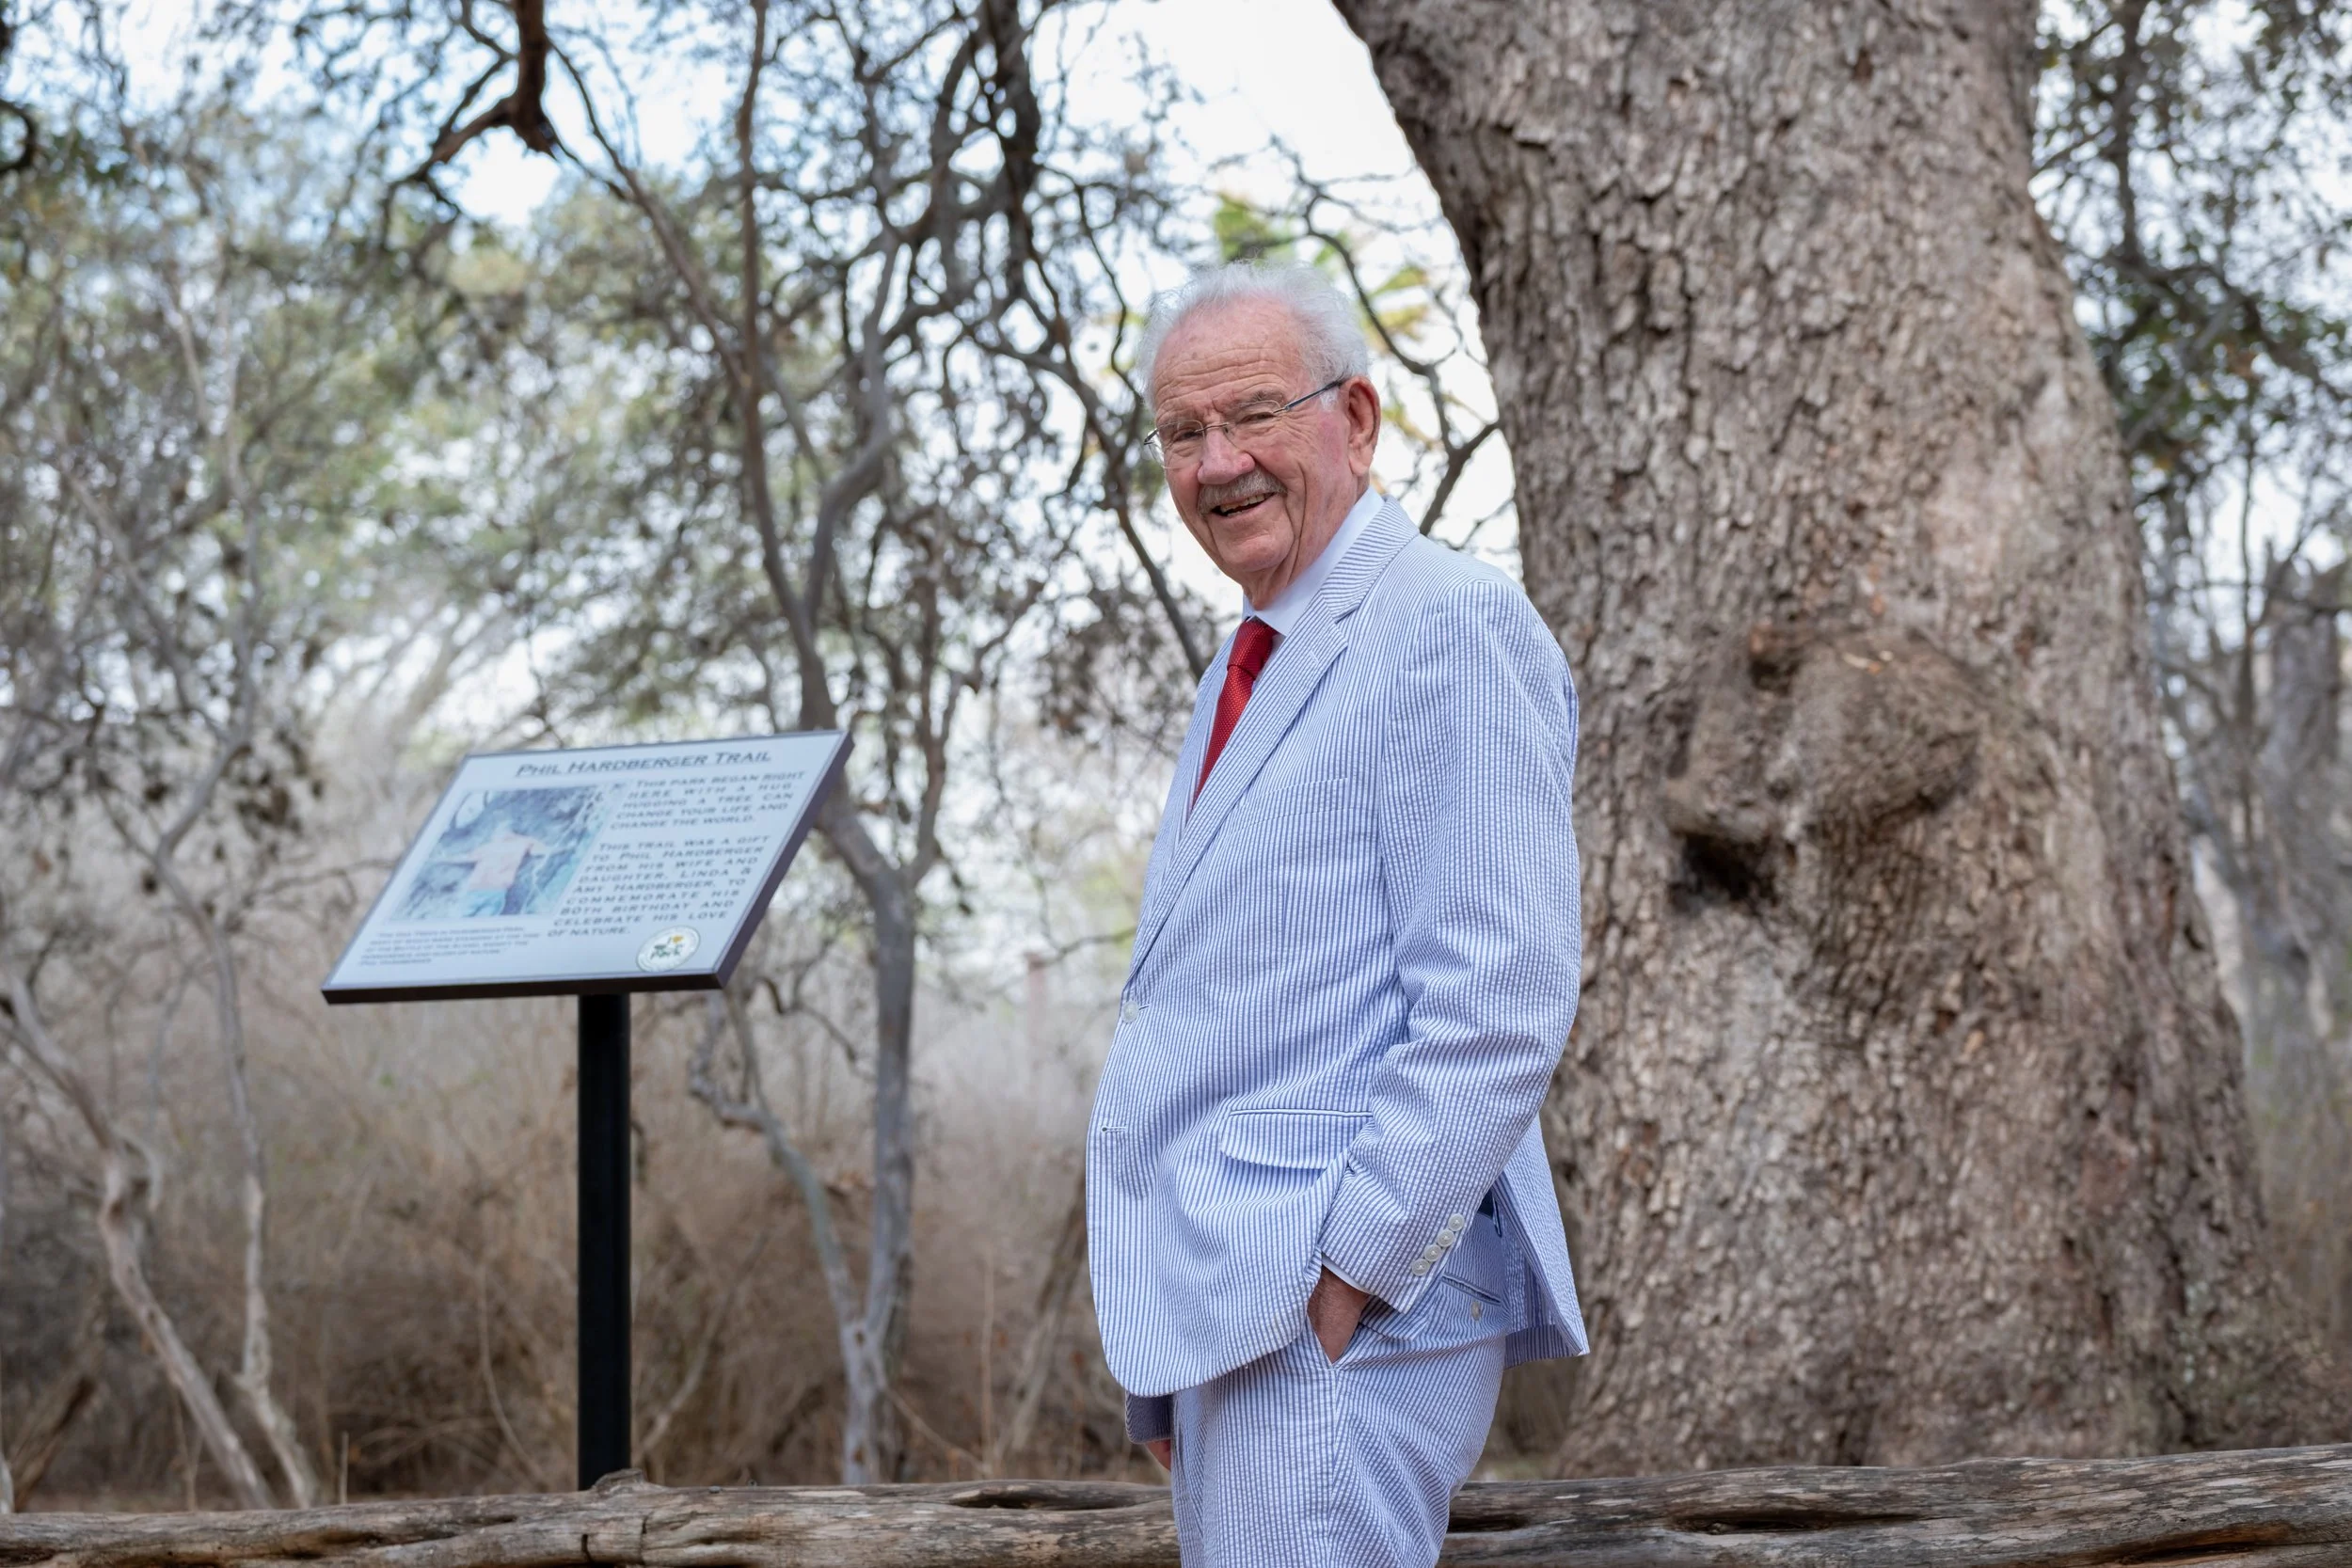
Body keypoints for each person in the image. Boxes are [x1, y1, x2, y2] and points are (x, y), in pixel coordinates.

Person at [1086, 261, 1586, 1568]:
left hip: (1331, 1322)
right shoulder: (1251, 658)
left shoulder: (1450, 627)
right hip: (1238, 1319)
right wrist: (1180, 1356)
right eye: (1183, 432)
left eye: (1254, 413)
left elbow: (1498, 1002)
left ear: (1355, 419)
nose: (1217, 462)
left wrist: (1342, 1284)